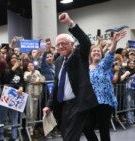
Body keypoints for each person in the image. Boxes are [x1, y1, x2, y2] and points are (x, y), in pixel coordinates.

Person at [42, 12, 98, 141]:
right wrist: (49, 105)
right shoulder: (58, 61)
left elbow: (85, 41)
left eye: (64, 43)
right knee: (79, 131)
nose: (61, 46)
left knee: (69, 137)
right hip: (65, 105)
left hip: (79, 103)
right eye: (58, 44)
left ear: (72, 45)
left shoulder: (79, 55)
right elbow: (56, 85)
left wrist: (69, 23)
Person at [83, 30, 126, 141]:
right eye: (94, 51)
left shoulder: (104, 65)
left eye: (98, 51)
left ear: (102, 54)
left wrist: (114, 42)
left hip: (105, 103)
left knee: (104, 131)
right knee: (86, 127)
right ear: (90, 54)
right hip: (90, 103)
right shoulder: (85, 68)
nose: (96, 52)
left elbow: (110, 54)